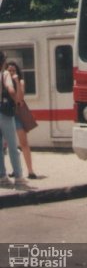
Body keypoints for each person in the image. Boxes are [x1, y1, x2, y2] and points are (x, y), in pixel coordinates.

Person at [0, 52, 28, 188]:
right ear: (3, 62)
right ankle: (18, 176)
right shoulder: (4, 74)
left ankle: (2, 176)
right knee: (12, 146)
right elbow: (11, 90)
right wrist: (17, 100)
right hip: (4, 113)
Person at [6, 61, 37, 179]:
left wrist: (17, 82)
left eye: (13, 70)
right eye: (9, 70)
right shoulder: (4, 82)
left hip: (17, 114)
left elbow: (19, 99)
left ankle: (30, 170)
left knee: (23, 142)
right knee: (10, 144)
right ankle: (15, 169)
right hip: (6, 113)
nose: (11, 72)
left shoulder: (20, 82)